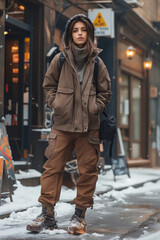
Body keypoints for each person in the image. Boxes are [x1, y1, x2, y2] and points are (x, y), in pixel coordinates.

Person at [26, 14, 112, 235]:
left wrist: (95, 107)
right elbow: (48, 86)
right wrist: (57, 104)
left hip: (89, 128)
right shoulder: (60, 59)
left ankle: (79, 216)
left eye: (84, 29)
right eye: (75, 30)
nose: (80, 33)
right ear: (70, 34)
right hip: (62, 126)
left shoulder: (98, 63)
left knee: (88, 172)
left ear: (89, 34)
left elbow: (106, 92)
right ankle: (47, 215)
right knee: (51, 169)